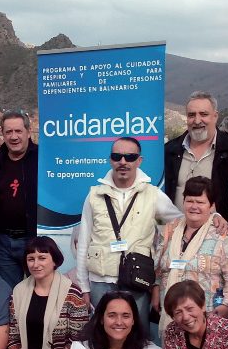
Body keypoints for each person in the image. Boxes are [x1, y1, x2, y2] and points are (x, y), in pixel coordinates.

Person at [75, 136, 182, 326]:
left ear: (139, 161)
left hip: (137, 281)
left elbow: (182, 222)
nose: (123, 162)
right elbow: (83, 242)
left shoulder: (153, 195)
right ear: (110, 160)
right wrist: (84, 287)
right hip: (101, 282)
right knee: (103, 337)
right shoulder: (94, 196)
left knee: (138, 337)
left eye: (130, 157)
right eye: (117, 156)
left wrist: (213, 218)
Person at [152, 176, 228, 334]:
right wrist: (155, 291)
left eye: (200, 202)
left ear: (211, 206)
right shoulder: (170, 230)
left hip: (208, 320)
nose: (194, 206)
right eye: (190, 201)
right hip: (172, 316)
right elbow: (160, 269)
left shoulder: (221, 236)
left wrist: (226, 306)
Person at [0, 110, 38, 288]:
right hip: (3, 242)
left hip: (34, 239)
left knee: (38, 290)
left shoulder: (42, 158)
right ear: (2, 134)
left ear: (28, 132)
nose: (14, 137)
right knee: (7, 294)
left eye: (18, 131)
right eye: (9, 132)